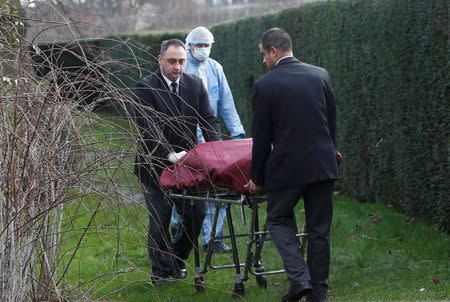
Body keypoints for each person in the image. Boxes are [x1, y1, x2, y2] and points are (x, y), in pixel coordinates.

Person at [245, 28, 339, 302]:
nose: (264, 61)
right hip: (323, 164)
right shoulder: (320, 75)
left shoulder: (264, 85)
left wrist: (257, 177)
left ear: (274, 50)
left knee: (277, 219)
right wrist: (330, 154)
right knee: (319, 230)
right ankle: (318, 293)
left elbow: (261, 139)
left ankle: (299, 280)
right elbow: (331, 123)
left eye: (264, 54)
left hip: (287, 168)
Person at [133, 39, 221, 286]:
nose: (178, 67)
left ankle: (176, 260)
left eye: (182, 61)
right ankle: (160, 271)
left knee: (197, 212)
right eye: (172, 61)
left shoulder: (195, 85)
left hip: (189, 165)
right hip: (155, 165)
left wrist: (215, 150)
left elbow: (208, 120)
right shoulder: (145, 88)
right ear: (160, 59)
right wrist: (169, 154)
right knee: (160, 218)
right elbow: (150, 128)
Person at [170, 26, 246, 254]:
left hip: (210, 137)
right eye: (198, 45)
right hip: (186, 138)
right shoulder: (181, 68)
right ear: (189, 45)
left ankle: (213, 238)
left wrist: (237, 132)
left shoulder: (215, 69)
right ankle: (179, 228)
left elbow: (226, 103)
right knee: (187, 185)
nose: (202, 49)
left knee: (217, 186)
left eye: (206, 45)